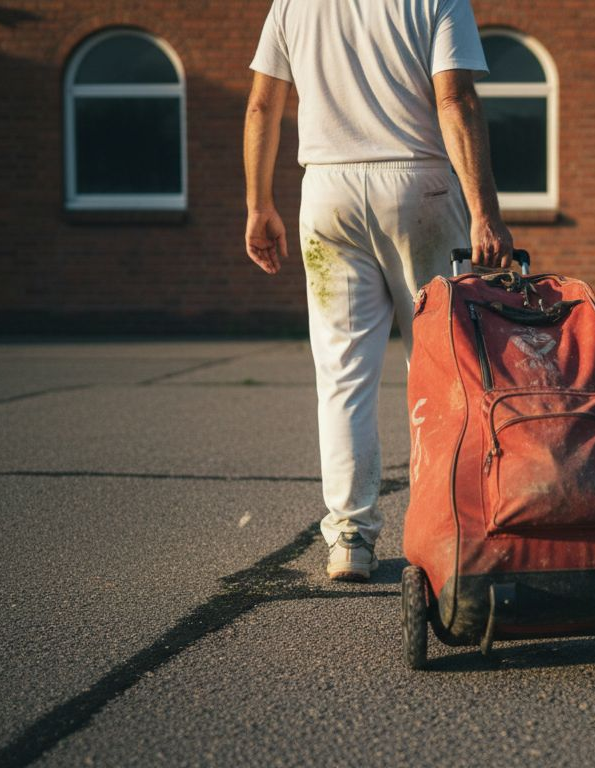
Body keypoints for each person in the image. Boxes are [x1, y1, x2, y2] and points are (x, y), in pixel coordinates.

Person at [243, 0, 514, 581]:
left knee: (342, 374)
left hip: (327, 193)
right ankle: (446, 526)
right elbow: (455, 99)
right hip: (420, 187)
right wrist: (485, 213)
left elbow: (264, 103)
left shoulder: (292, 4)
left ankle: (350, 537)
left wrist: (259, 203)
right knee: (443, 367)